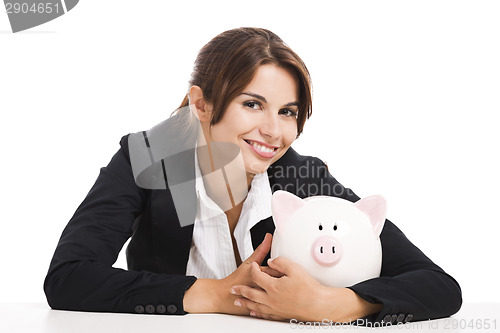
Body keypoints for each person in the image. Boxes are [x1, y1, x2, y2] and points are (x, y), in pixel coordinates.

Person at [44, 27, 462, 324]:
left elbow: (439, 286)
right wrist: (217, 294)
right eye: (252, 104)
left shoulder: (302, 178)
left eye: (287, 112)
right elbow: (67, 278)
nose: (274, 131)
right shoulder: (148, 158)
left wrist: (331, 305)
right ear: (201, 104)